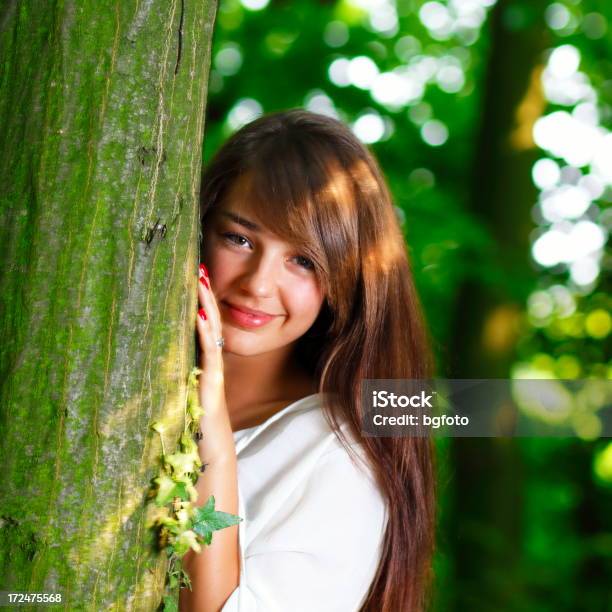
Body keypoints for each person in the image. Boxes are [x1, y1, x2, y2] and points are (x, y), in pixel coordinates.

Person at [179, 110, 436, 612]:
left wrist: (214, 429)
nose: (257, 283)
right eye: (240, 238)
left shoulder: (342, 452)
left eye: (303, 261)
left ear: (344, 281)